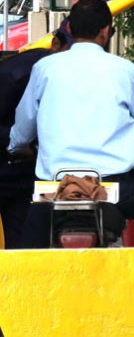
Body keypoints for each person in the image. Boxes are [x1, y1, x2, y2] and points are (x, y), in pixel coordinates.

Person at [7, 0, 134, 247]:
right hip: (115, 188)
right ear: (105, 31)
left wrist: (16, 146)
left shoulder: (44, 69)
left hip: (54, 188)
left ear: (69, 29)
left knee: (28, 251)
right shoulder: (124, 70)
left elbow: (23, 126)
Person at [0, 21, 73, 248]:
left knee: (25, 245)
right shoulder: (17, 76)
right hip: (12, 167)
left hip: (32, 171)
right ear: (56, 45)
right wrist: (24, 145)